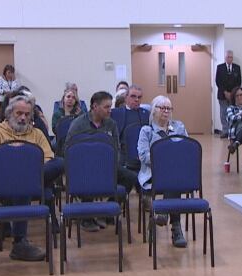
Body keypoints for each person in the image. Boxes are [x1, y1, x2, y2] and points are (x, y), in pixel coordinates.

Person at [0, 95, 64, 261]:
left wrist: (26, 169)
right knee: (21, 180)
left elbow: (48, 158)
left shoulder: (37, 134)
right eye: (19, 113)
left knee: (60, 162)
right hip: (4, 182)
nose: (23, 118)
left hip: (34, 180)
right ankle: (19, 243)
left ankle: (20, 242)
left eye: (27, 114)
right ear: (9, 113)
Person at [137, 96, 189, 248]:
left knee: (174, 179)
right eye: (162, 108)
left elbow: (187, 151)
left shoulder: (178, 127)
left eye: (169, 108)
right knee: (172, 179)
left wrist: (172, 163)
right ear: (153, 111)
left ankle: (165, 213)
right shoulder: (146, 131)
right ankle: (176, 226)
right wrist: (166, 162)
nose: (166, 111)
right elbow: (144, 156)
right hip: (153, 174)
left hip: (176, 175)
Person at [67, 90, 138, 194]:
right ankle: (87, 205)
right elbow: (68, 149)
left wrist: (111, 164)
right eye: (107, 107)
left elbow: (116, 148)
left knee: (131, 177)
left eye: (110, 107)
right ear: (95, 107)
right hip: (85, 167)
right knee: (87, 186)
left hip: (107, 165)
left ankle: (112, 204)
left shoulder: (111, 124)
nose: (110, 110)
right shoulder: (78, 124)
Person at [112, 85, 150, 171]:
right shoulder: (115, 113)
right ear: (126, 98)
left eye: (139, 97)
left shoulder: (146, 114)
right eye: (133, 96)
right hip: (123, 158)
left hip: (143, 157)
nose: (137, 99)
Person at [215, 50, 241, 138]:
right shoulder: (220, 67)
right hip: (222, 95)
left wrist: (232, 93)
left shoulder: (237, 68)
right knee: (223, 113)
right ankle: (225, 131)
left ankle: (232, 130)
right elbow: (218, 81)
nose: (229, 59)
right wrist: (225, 92)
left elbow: (238, 82)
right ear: (225, 58)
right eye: (228, 57)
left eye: (231, 57)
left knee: (233, 113)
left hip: (233, 95)